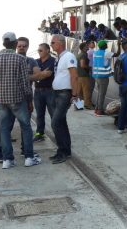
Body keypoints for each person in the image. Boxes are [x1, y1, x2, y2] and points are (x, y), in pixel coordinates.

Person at [0, 32, 41, 169]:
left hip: (1, 100)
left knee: (5, 129)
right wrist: (29, 100)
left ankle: (7, 160)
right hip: (18, 100)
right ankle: (29, 157)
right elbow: (25, 83)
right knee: (26, 127)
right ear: (15, 43)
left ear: (3, 44)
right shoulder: (20, 59)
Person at [50, 34, 78, 164]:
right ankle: (65, 151)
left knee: (55, 123)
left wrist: (74, 94)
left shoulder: (68, 57)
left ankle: (62, 151)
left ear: (60, 43)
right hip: (58, 94)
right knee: (61, 123)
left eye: (53, 43)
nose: (51, 45)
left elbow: (74, 76)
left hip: (64, 94)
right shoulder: (60, 58)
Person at [33, 43, 55, 142]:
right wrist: (40, 74)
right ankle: (39, 133)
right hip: (38, 91)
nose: (39, 52)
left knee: (53, 114)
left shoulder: (53, 61)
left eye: (41, 50)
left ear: (47, 50)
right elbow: (32, 75)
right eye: (38, 50)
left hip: (49, 91)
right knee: (39, 114)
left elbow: (48, 74)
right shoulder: (36, 61)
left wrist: (38, 74)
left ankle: (57, 133)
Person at [92, 40, 115, 116]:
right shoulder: (106, 53)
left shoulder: (95, 53)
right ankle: (99, 110)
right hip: (103, 77)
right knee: (102, 94)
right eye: (106, 44)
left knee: (99, 93)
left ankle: (97, 108)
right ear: (103, 46)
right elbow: (117, 54)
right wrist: (119, 45)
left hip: (97, 76)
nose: (107, 45)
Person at [77, 41, 93, 110]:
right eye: (86, 46)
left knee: (79, 92)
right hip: (84, 76)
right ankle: (88, 105)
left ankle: (79, 106)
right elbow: (82, 65)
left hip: (79, 75)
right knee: (86, 91)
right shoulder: (84, 55)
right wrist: (89, 67)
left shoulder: (79, 54)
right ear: (83, 48)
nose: (88, 47)